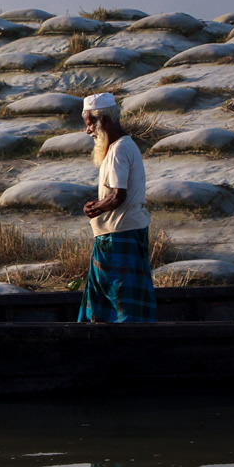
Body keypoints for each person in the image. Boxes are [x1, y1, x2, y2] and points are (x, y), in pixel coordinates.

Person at [78, 92, 157, 323]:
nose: (88, 131)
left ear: (104, 121)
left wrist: (94, 208)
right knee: (119, 296)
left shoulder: (118, 150)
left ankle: (123, 342)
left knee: (117, 297)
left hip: (118, 235)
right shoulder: (123, 146)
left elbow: (117, 196)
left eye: (90, 124)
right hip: (124, 231)